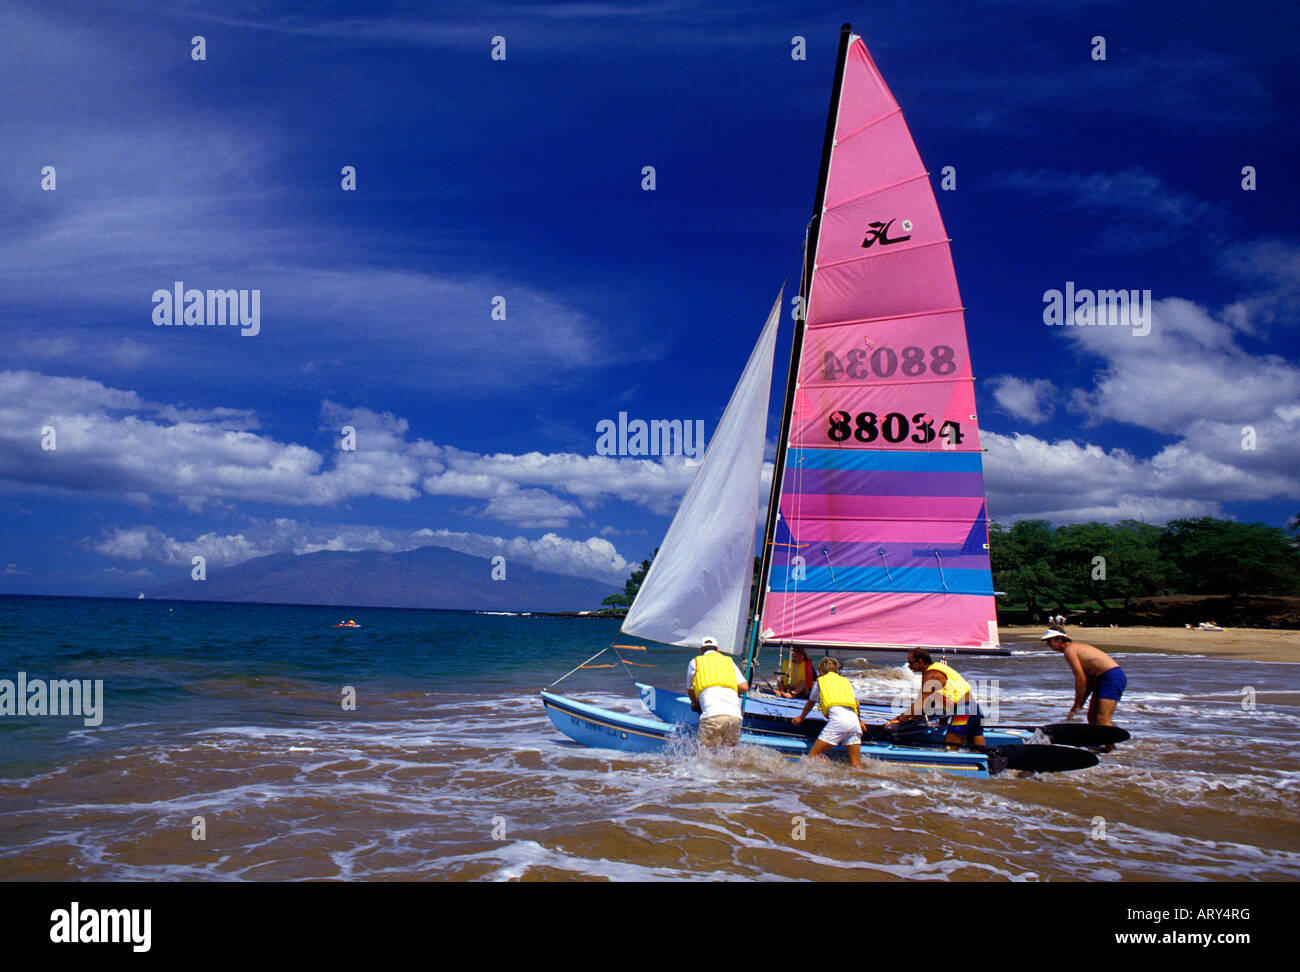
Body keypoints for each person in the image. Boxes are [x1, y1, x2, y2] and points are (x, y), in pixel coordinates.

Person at [882, 649, 986, 750]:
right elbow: (932, 702)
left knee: (950, 749)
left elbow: (921, 703)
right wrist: (916, 716)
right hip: (975, 710)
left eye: (911, 663)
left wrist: (899, 719)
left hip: (963, 713)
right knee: (978, 751)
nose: (909, 666)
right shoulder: (941, 667)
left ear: (920, 661)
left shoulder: (931, 674)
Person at [792, 658, 868, 768]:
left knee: (811, 758)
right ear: (836, 671)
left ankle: (833, 770)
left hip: (838, 722)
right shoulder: (845, 682)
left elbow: (811, 702)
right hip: (854, 723)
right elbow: (856, 705)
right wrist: (860, 721)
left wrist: (801, 717)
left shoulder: (821, 680)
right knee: (856, 764)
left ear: (821, 672)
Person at [1040, 629, 1126, 726]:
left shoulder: (1069, 650)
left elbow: (1080, 679)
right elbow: (1089, 680)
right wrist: (1081, 701)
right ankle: (1100, 741)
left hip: (1112, 677)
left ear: (1059, 639)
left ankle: (1110, 740)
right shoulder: (1073, 649)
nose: (1048, 645)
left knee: (1102, 718)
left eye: (1049, 641)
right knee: (1092, 718)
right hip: (1101, 679)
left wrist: (1076, 704)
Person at [686, 636, 748, 748]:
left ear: (701, 651)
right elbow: (744, 687)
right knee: (729, 755)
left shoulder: (695, 662)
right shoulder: (729, 662)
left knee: (703, 755)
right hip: (734, 716)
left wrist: (695, 703)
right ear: (718, 650)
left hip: (712, 715)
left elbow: (690, 690)